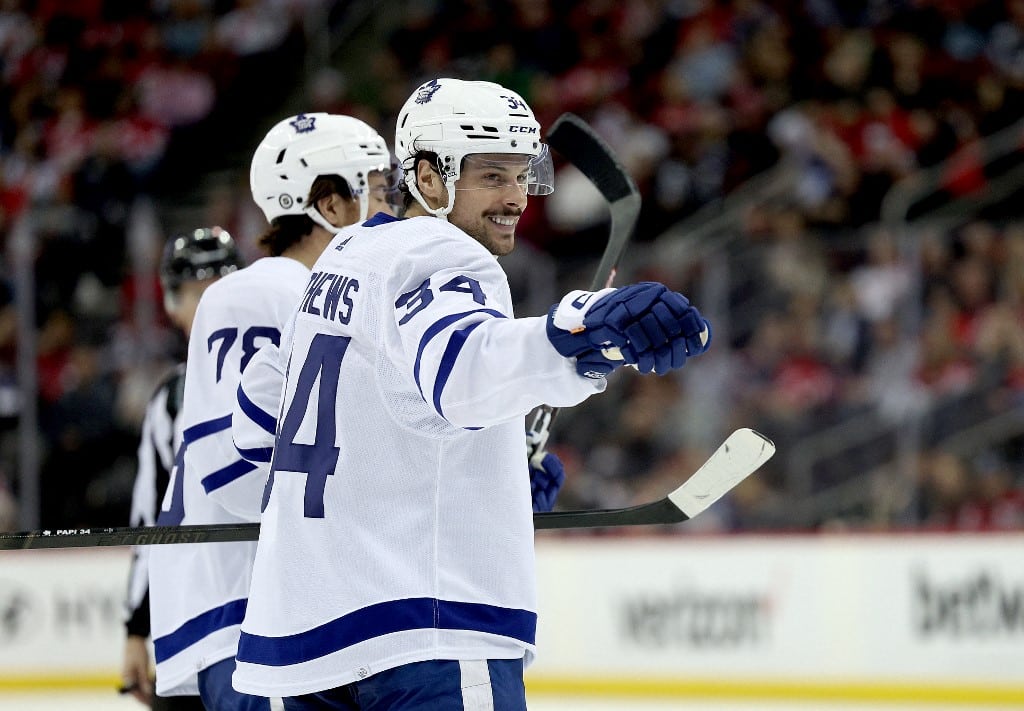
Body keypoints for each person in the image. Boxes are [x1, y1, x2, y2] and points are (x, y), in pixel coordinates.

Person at [231, 78, 711, 710]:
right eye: (492, 177)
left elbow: (258, 418)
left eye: (521, 176)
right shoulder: (443, 252)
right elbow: (463, 369)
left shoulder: (341, 258)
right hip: (424, 633)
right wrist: (586, 333)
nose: (517, 198)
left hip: (303, 637)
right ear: (428, 178)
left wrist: (491, 473)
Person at [147, 113, 397, 711]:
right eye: (379, 190)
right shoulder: (265, 292)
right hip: (249, 612)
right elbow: (237, 473)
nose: (395, 207)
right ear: (328, 205)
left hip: (275, 615)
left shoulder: (323, 292)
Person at [122, 226, 242, 710]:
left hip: (274, 618)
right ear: (173, 304)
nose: (211, 303)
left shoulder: (282, 372)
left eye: (220, 288)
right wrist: (136, 629)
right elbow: (150, 521)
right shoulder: (171, 399)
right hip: (193, 624)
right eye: (197, 293)